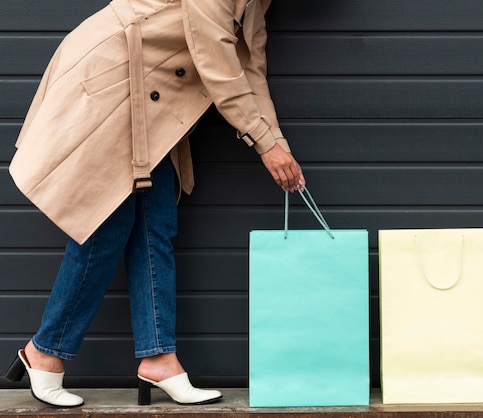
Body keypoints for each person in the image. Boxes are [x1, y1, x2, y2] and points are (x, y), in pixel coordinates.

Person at [4, 0, 305, 408]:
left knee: (155, 223)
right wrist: (265, 145)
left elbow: (250, 72)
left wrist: (279, 146)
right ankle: (46, 351)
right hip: (115, 85)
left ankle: (158, 357)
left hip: (153, 109)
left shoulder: (257, 4)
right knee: (106, 221)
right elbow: (219, 66)